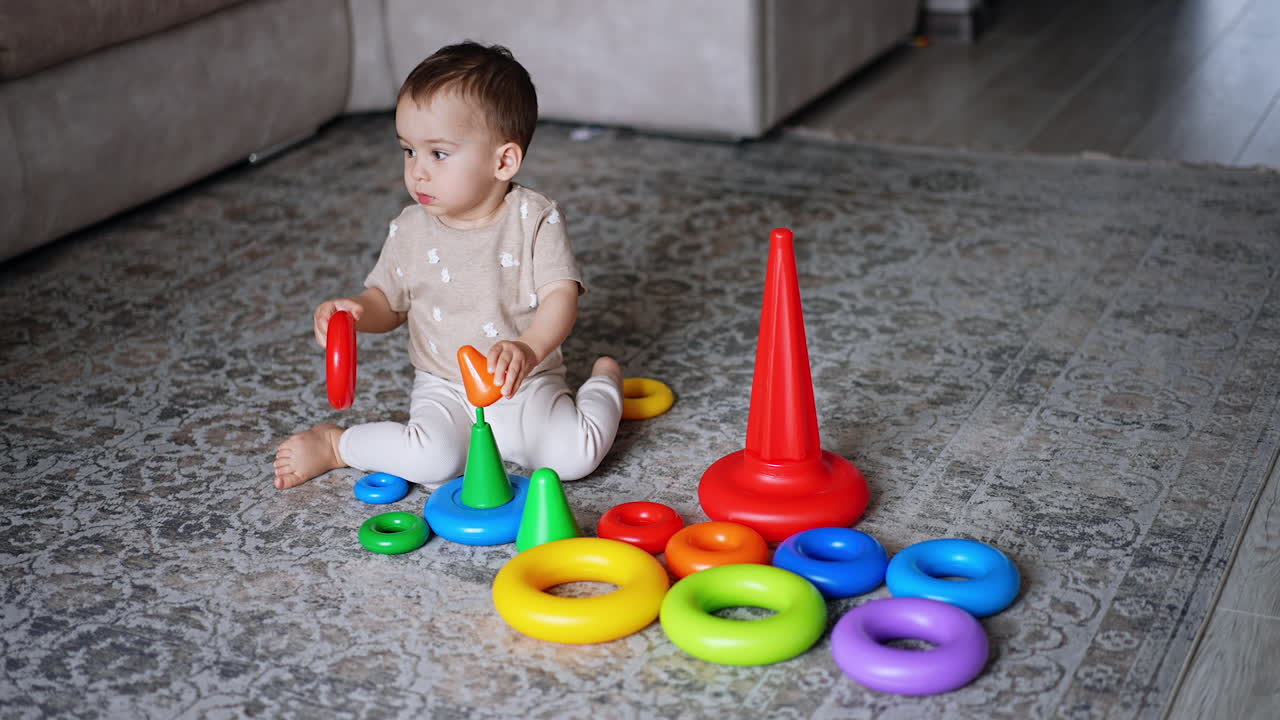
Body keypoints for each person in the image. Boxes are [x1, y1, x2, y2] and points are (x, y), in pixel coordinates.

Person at [273, 41, 623, 491]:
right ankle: (338, 445)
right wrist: (357, 311)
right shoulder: (410, 228)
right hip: (445, 386)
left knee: (574, 457)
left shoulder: (534, 217)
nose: (417, 171)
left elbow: (561, 296)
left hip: (522, 380)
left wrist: (529, 348)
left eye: (438, 153)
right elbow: (389, 303)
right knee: (432, 462)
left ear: (503, 160)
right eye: (408, 151)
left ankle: (605, 382)